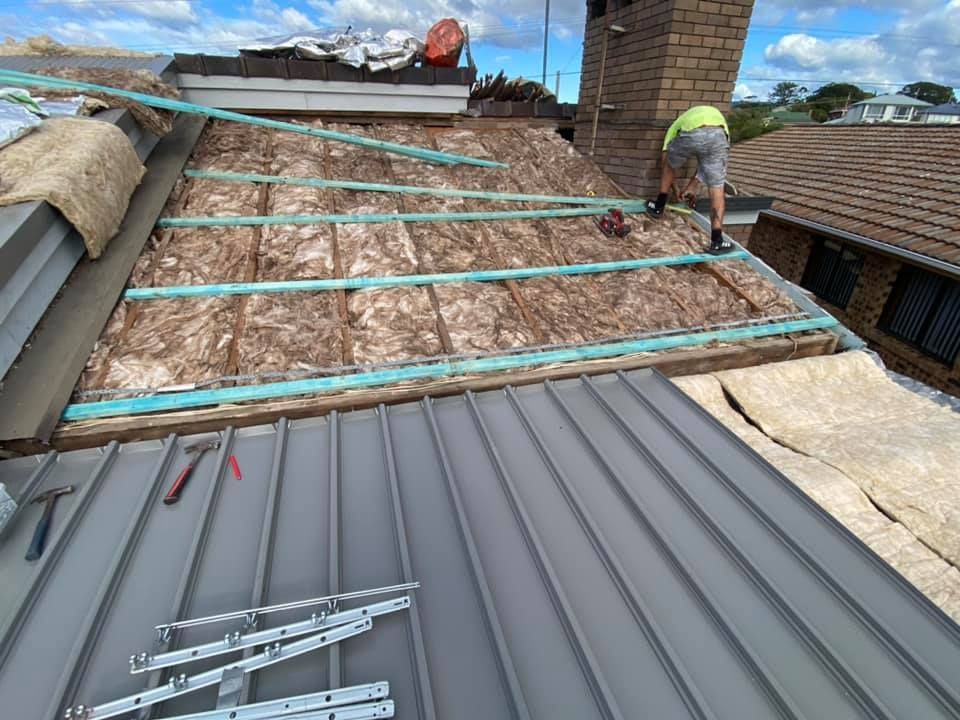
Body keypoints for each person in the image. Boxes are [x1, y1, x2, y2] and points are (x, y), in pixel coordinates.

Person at [646, 105, 734, 254]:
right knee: (717, 187)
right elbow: (707, 164)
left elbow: (665, 161)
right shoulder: (723, 128)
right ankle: (717, 241)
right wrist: (692, 185)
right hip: (719, 137)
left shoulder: (677, 125)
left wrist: (676, 190)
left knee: (669, 165)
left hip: (691, 134)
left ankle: (658, 207)